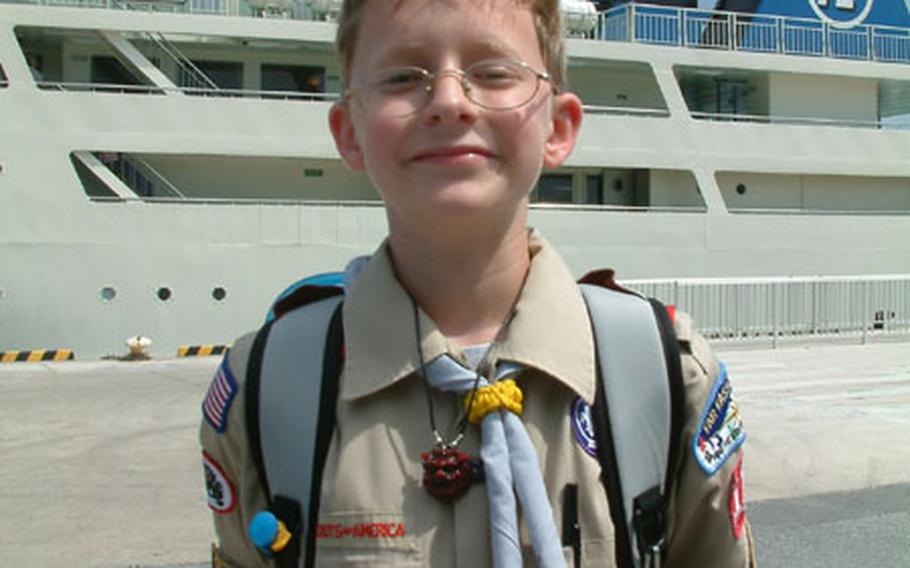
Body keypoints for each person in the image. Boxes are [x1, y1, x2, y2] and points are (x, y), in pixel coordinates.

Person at [200, 0, 756, 566]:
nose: (448, 100)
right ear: (349, 132)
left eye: (493, 73)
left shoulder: (663, 376)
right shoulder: (267, 389)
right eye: (400, 77)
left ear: (558, 128)